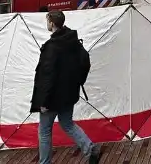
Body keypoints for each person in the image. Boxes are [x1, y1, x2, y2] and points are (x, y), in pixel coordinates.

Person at [31, 10, 101, 164]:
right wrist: (77, 82)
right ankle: (90, 149)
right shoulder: (73, 41)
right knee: (67, 124)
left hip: (52, 98)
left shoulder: (51, 47)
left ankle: (44, 163)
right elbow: (85, 62)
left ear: (51, 23)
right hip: (68, 95)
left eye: (47, 20)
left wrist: (43, 101)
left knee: (44, 131)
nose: (47, 23)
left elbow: (47, 76)